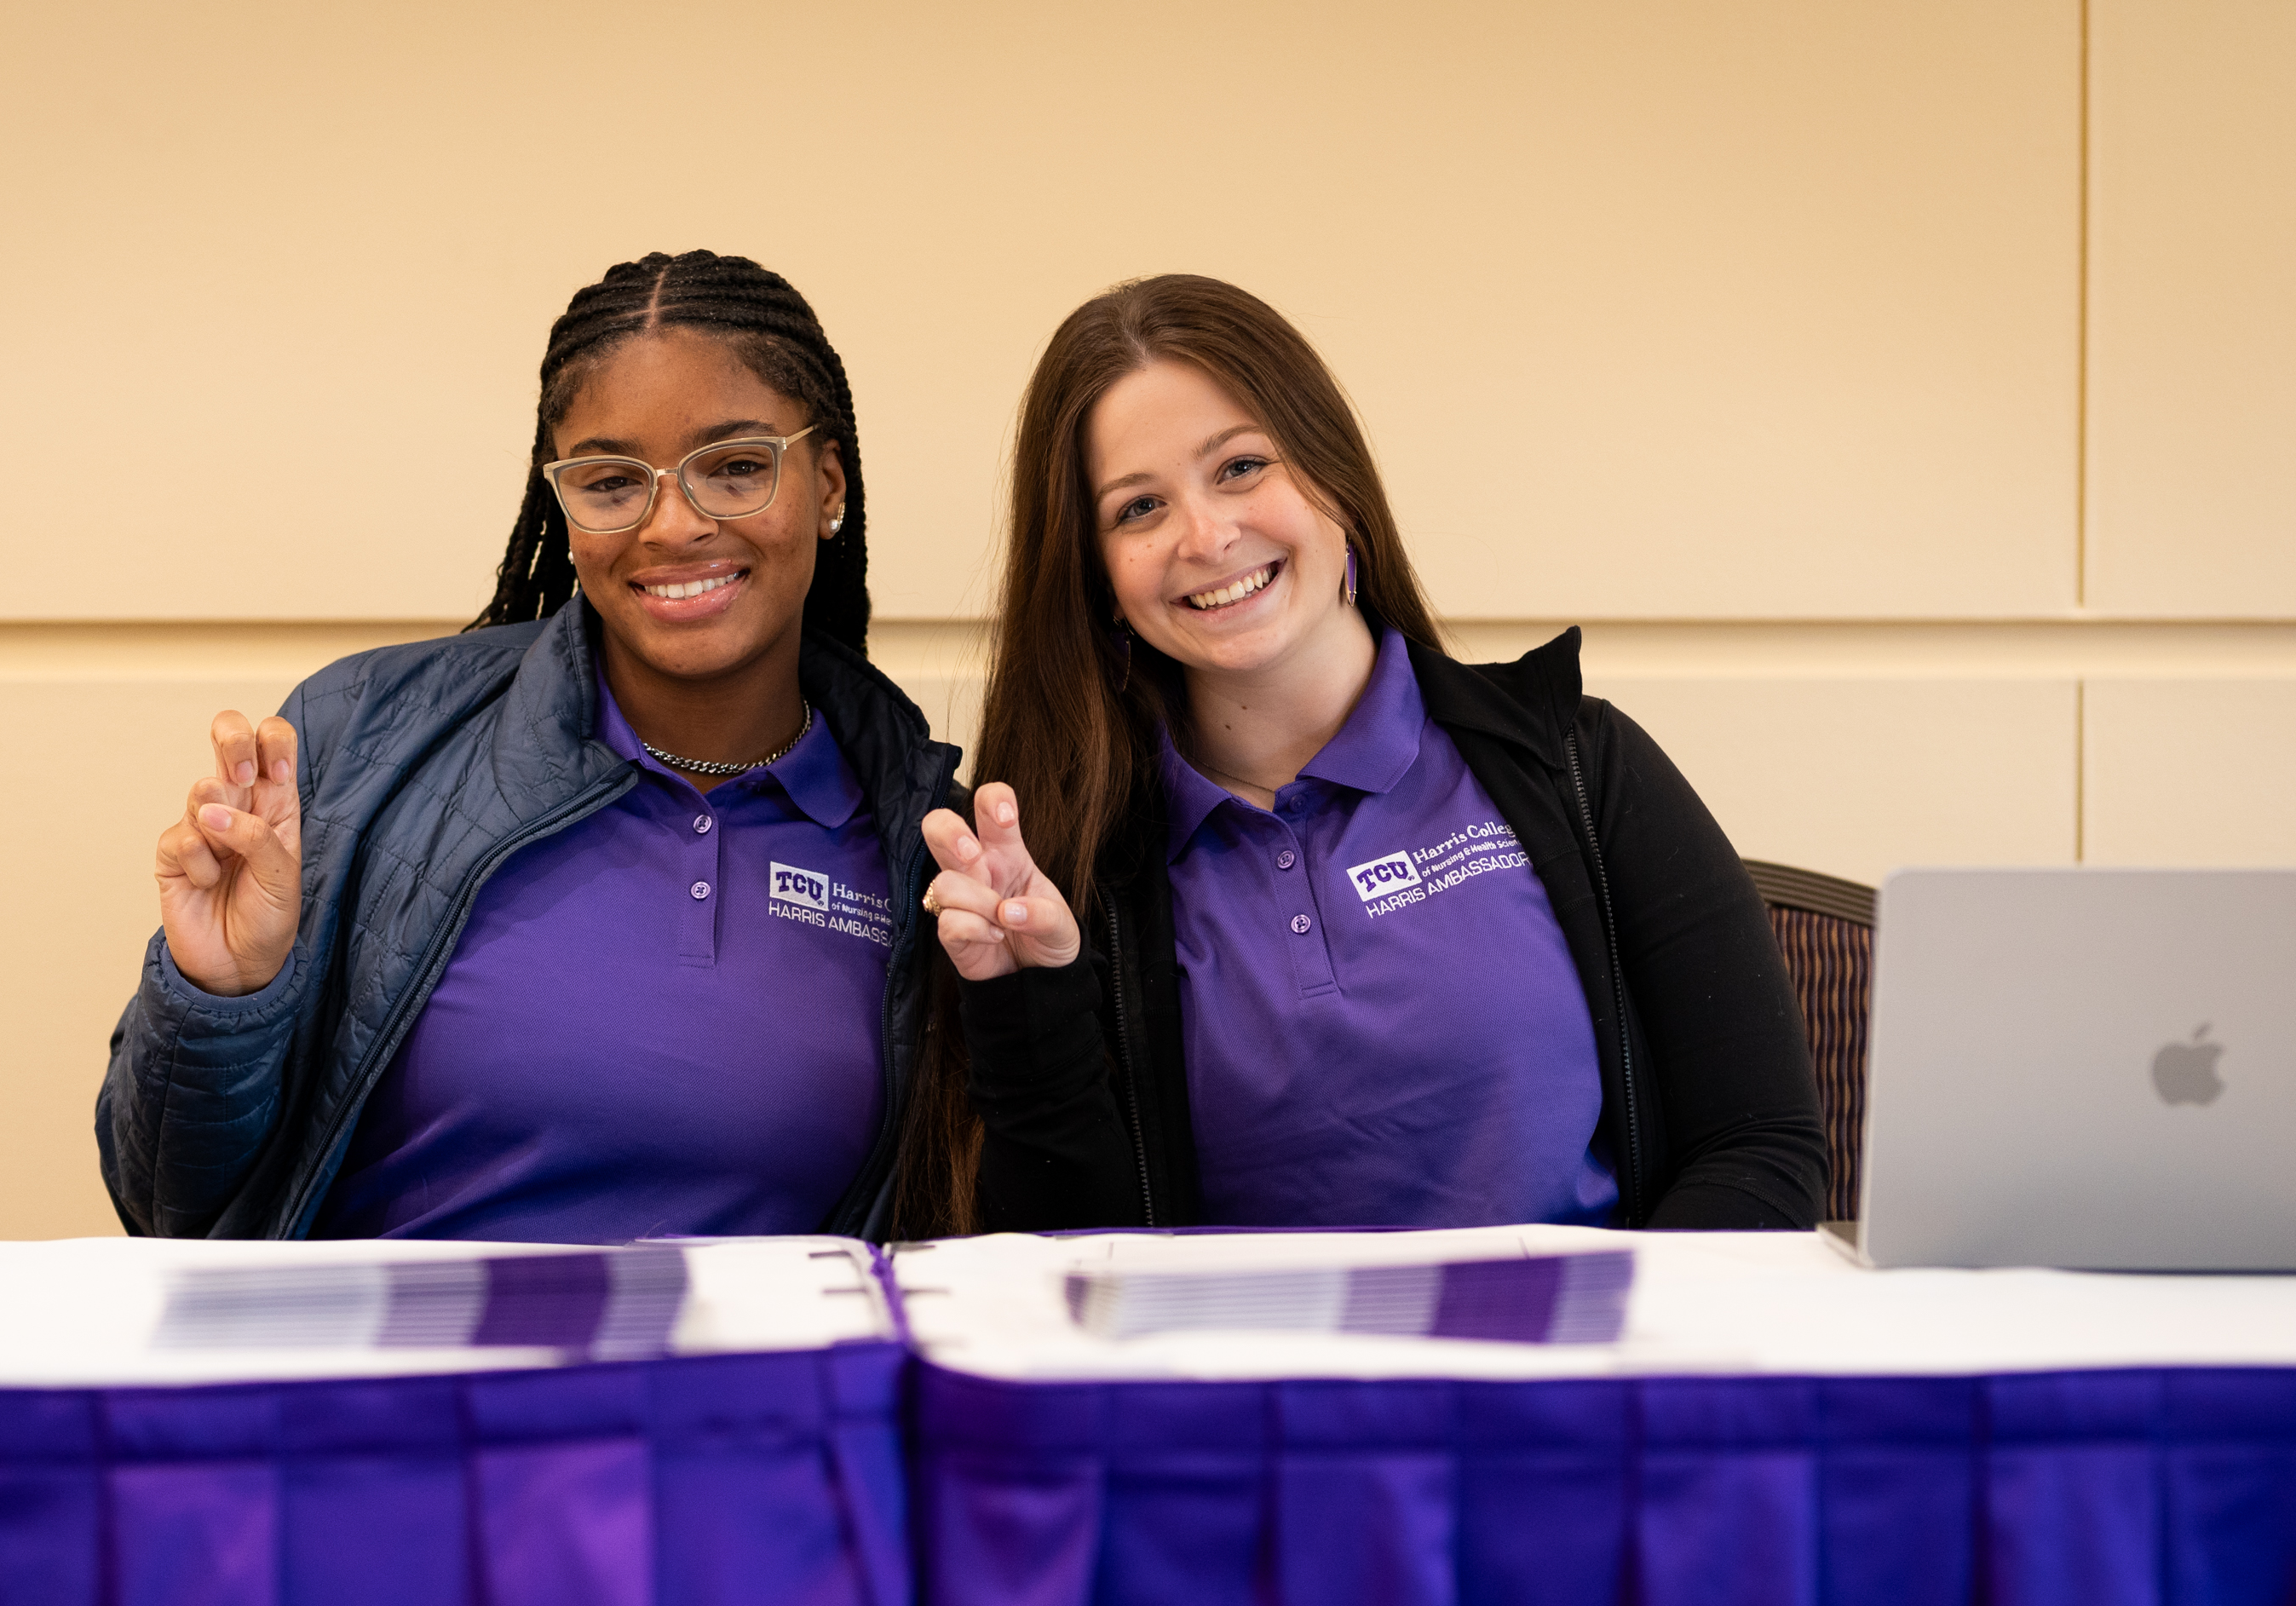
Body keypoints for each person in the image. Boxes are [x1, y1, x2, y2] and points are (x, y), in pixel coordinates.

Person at [915, 274, 1826, 1233]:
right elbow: (1070, 1260)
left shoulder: (1575, 769)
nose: (1206, 535)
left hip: (1581, 1371)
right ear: (1098, 580)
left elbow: (1759, 1148)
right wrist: (1028, 1001)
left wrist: (1596, 1368)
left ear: (1334, 482)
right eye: (1137, 508)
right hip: (1252, 1384)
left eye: (1239, 468)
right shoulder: (1070, 865)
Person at [98, 250, 959, 1242]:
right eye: (609, 483)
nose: (672, 525)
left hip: (750, 1400)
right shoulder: (359, 741)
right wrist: (220, 994)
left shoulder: (926, 842)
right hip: (400, 1394)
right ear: (563, 504)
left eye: (735, 468)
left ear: (827, 483)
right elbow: (160, 1202)